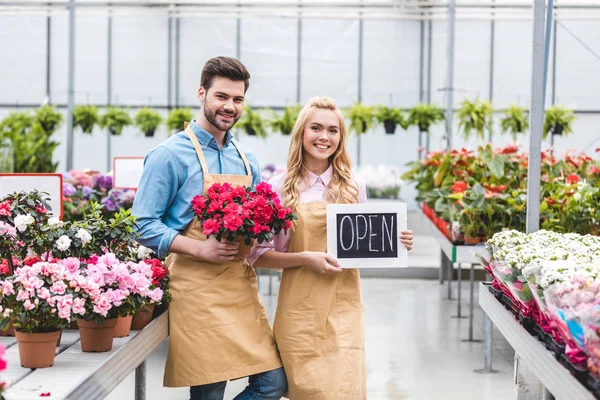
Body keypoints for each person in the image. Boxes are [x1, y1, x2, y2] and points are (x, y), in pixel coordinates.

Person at [132, 56, 286, 400]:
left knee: (273, 382)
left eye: (238, 99)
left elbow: (261, 226)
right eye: (221, 96)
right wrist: (201, 248)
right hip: (195, 289)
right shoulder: (169, 155)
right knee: (211, 388)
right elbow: (142, 225)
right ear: (202, 93)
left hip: (239, 286)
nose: (229, 106)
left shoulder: (247, 159)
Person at [248, 96, 413, 399]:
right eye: (316, 128)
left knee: (343, 389)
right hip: (299, 305)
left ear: (341, 137)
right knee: (309, 390)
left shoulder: (353, 187)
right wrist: (305, 259)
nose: (324, 137)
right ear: (301, 133)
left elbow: (364, 246)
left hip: (344, 305)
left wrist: (394, 240)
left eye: (333, 130)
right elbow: (257, 256)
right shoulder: (278, 188)